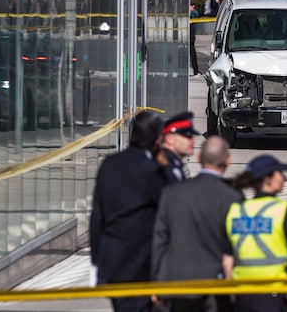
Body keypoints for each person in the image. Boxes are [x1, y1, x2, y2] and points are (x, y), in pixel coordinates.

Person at [151, 136, 243, 312]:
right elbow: (237, 244)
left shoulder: (173, 193)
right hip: (215, 284)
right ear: (228, 160)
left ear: (199, 158)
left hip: (177, 281)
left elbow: (160, 240)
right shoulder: (233, 198)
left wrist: (156, 281)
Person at [89, 110, 167, 312]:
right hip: (141, 264)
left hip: (113, 262)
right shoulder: (152, 169)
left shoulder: (109, 164)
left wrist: (98, 260)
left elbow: (97, 216)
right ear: (157, 139)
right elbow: (166, 213)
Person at [224, 154, 287, 312]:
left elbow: (227, 262)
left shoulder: (236, 211)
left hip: (242, 294)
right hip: (273, 295)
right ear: (268, 178)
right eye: (279, 173)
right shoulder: (282, 211)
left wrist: (231, 298)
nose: (284, 178)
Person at [158, 111, 200, 184]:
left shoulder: (173, 163)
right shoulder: (163, 167)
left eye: (192, 136)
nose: (192, 141)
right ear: (169, 139)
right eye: (187, 136)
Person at [189, 3, 200, 76]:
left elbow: (196, 14)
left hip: (191, 37)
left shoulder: (193, 13)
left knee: (193, 54)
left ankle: (196, 70)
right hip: (185, 37)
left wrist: (191, 12)